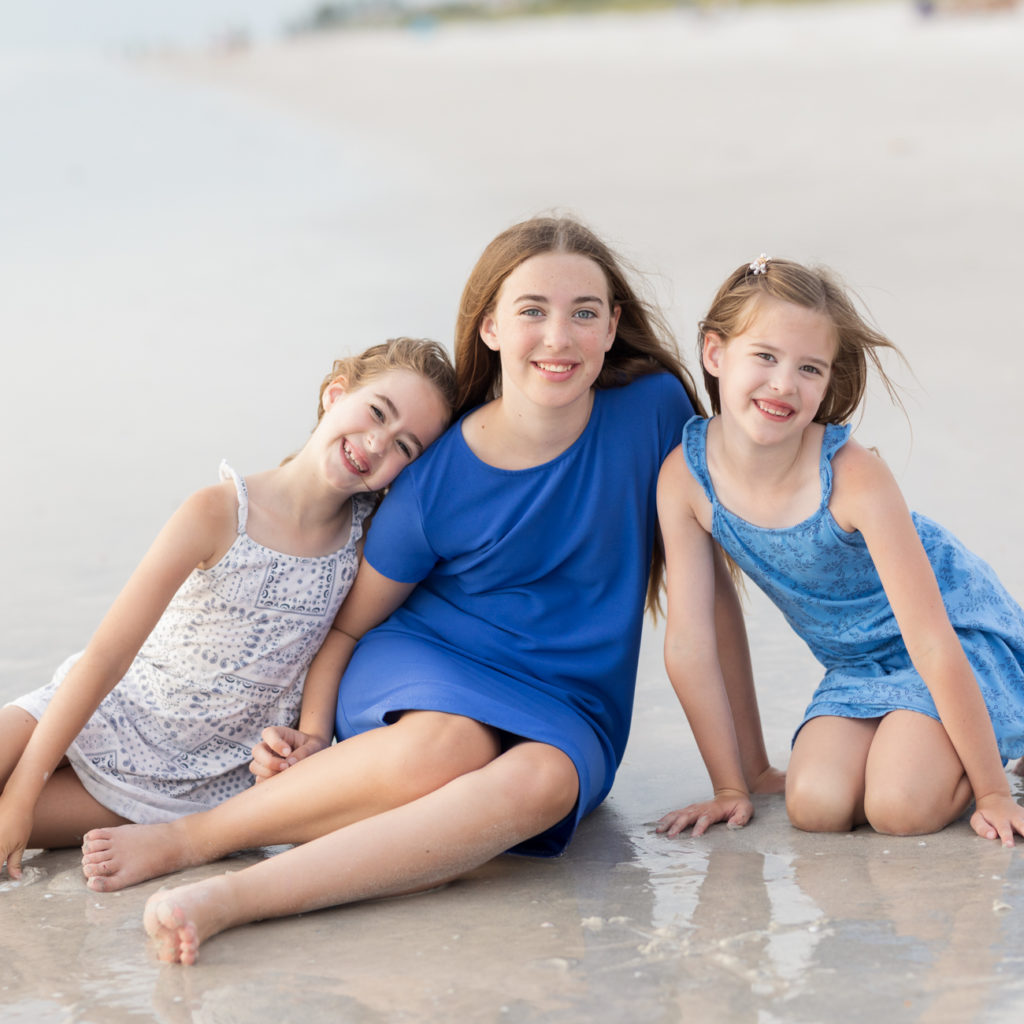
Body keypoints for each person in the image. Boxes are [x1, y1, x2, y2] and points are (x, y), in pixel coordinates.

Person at [78, 216, 781, 965]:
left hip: (574, 701)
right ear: (489, 329)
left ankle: (375, 849)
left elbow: (707, 595)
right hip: (427, 662)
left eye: (583, 313)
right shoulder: (436, 479)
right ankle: (203, 857)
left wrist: (746, 767)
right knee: (446, 748)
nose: (559, 336)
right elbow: (348, 629)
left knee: (545, 781)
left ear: (612, 328)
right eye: (532, 311)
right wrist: (315, 731)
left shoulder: (656, 412)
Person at [0, 338, 455, 881]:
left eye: (405, 446)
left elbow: (336, 642)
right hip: (106, 709)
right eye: (377, 412)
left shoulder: (364, 547)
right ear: (336, 395)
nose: (378, 443)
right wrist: (24, 790)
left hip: (193, 781)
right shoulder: (219, 512)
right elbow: (106, 658)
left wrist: (310, 738)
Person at [655, 254, 1024, 847]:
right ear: (714, 353)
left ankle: (1004, 735)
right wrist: (735, 783)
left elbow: (932, 641)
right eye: (765, 356)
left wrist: (992, 795)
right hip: (857, 668)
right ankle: (931, 741)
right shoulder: (686, 478)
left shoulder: (853, 477)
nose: (784, 384)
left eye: (810, 369)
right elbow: (694, 642)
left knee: (898, 806)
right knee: (816, 805)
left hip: (949, 637)